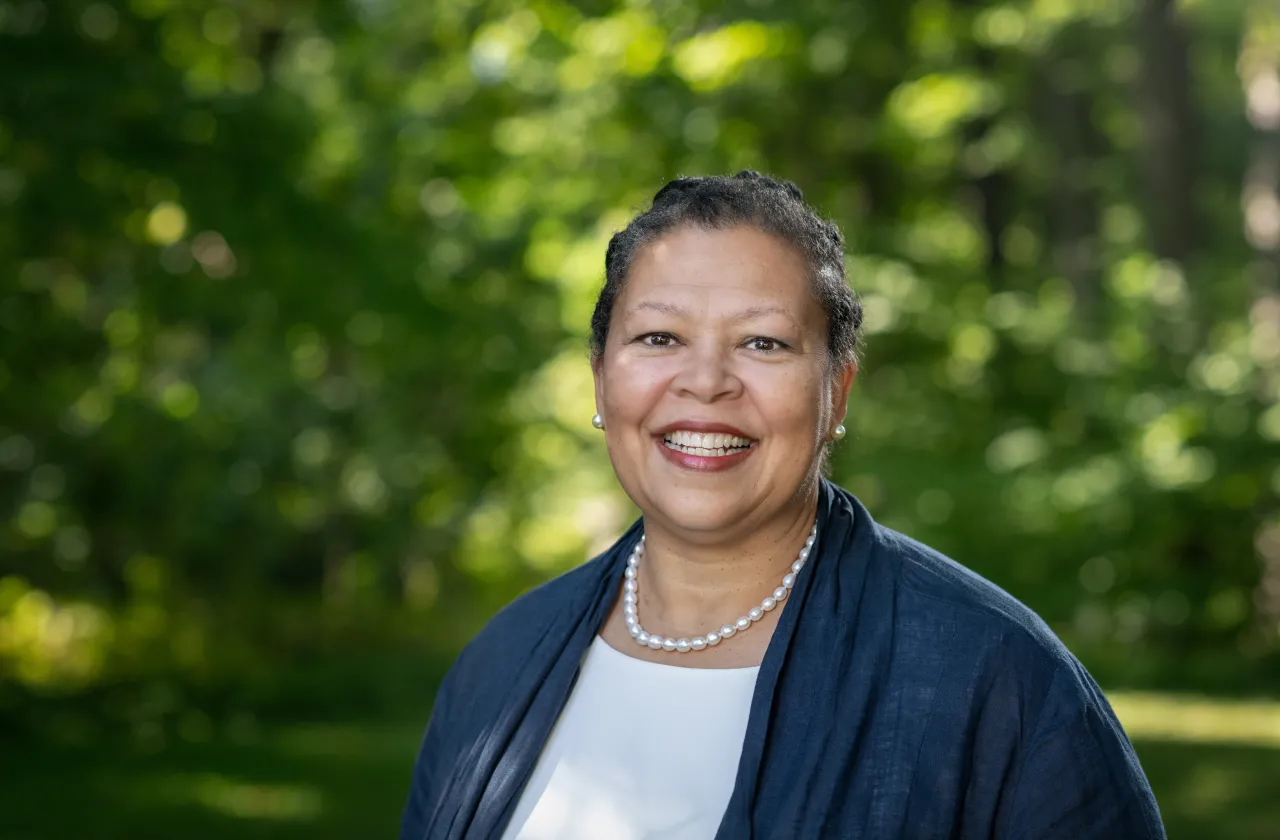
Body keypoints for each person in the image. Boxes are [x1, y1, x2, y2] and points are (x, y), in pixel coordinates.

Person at [399, 171, 1166, 840]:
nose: (706, 382)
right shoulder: (499, 666)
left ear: (838, 393)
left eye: (763, 344)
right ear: (602, 379)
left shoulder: (993, 677)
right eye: (660, 338)